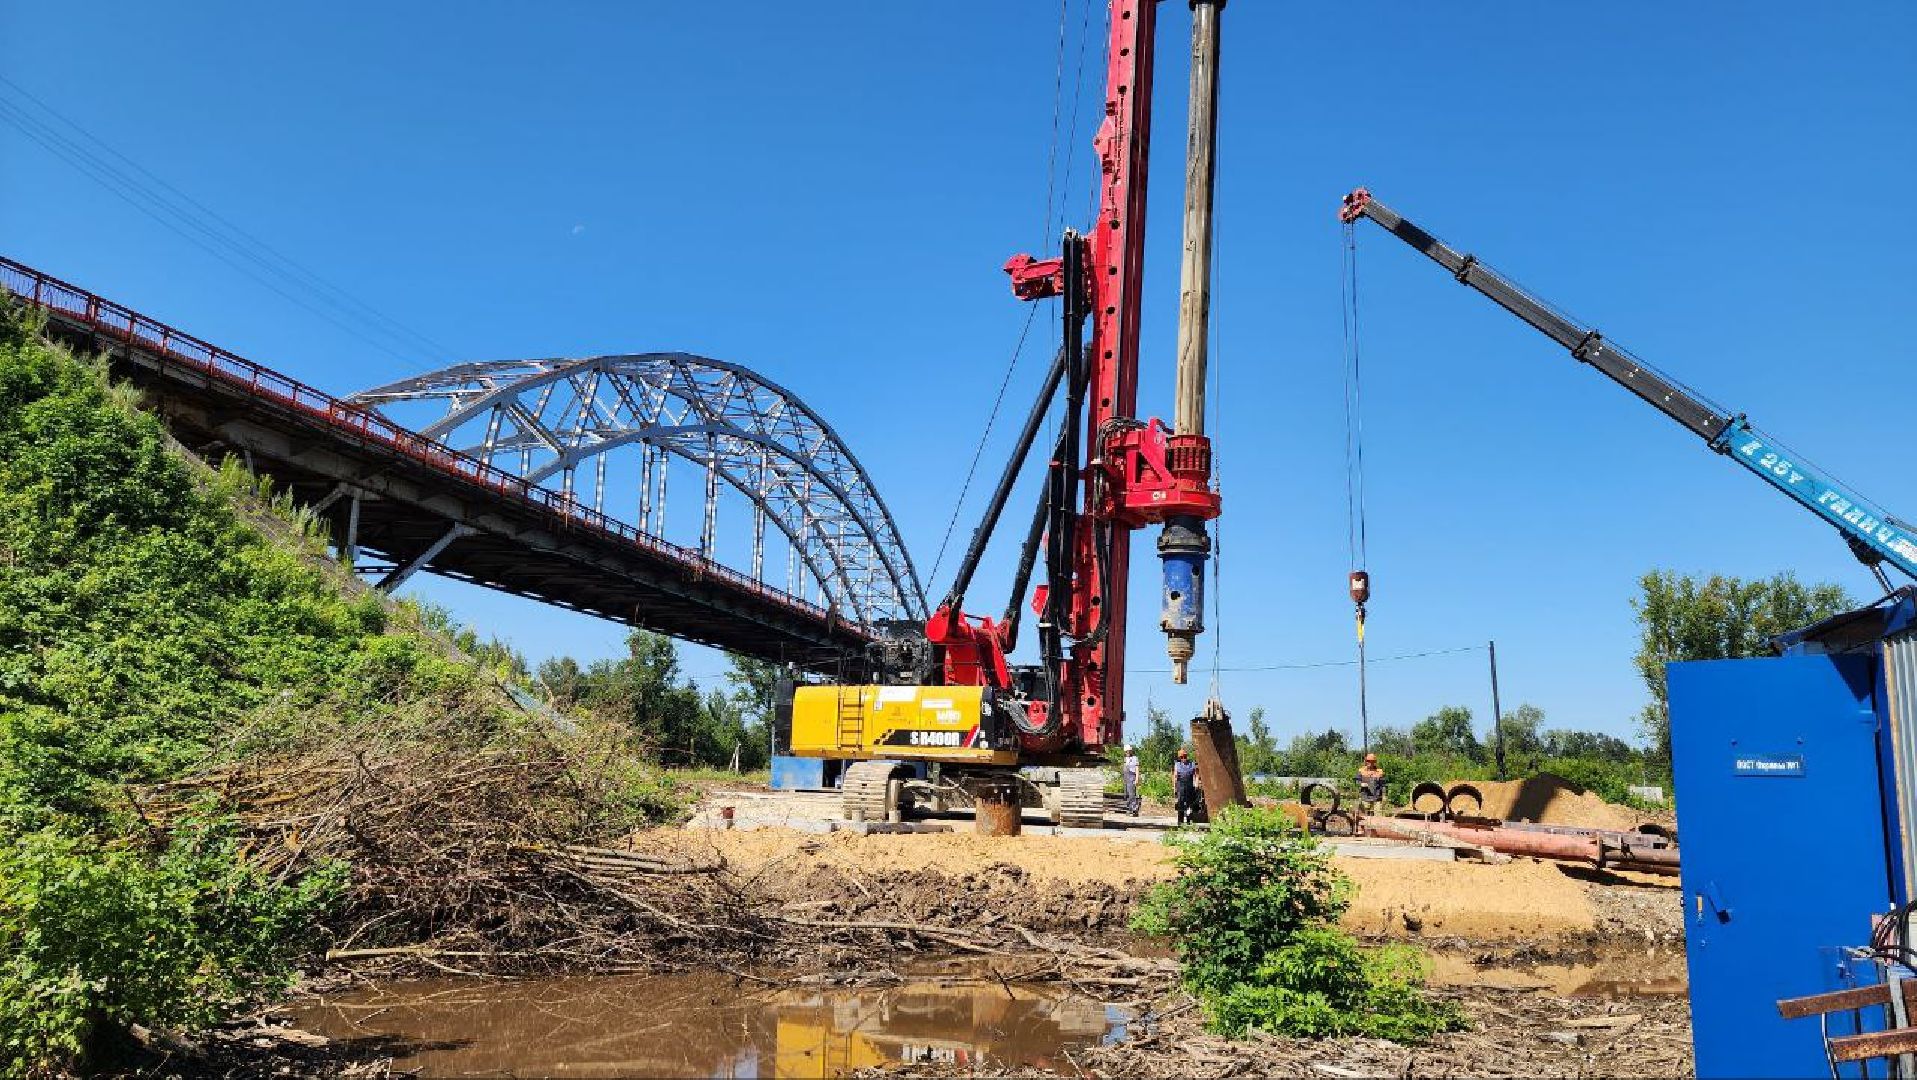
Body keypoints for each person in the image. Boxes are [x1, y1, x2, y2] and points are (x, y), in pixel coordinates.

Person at [1173, 747, 1201, 826]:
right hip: (1180, 785)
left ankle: (1189, 821)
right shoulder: (1177, 764)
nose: (1183, 758)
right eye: (1181, 757)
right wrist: (1174, 788)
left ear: (1187, 756)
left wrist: (1196, 784)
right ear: (1179, 758)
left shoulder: (1191, 763)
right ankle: (1180, 822)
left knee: (1190, 804)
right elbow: (1175, 776)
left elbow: (1196, 774)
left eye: (1185, 756)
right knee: (1181, 803)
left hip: (1189, 785)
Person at [1121, 745, 1141, 816]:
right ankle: (1130, 809)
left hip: (1132, 776)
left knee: (1132, 794)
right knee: (1127, 794)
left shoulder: (1135, 758)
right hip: (1126, 777)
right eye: (1126, 751)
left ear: (1131, 751)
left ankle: (1134, 809)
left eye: (1129, 751)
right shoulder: (1124, 759)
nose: (1128, 752)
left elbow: (1137, 769)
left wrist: (1137, 779)